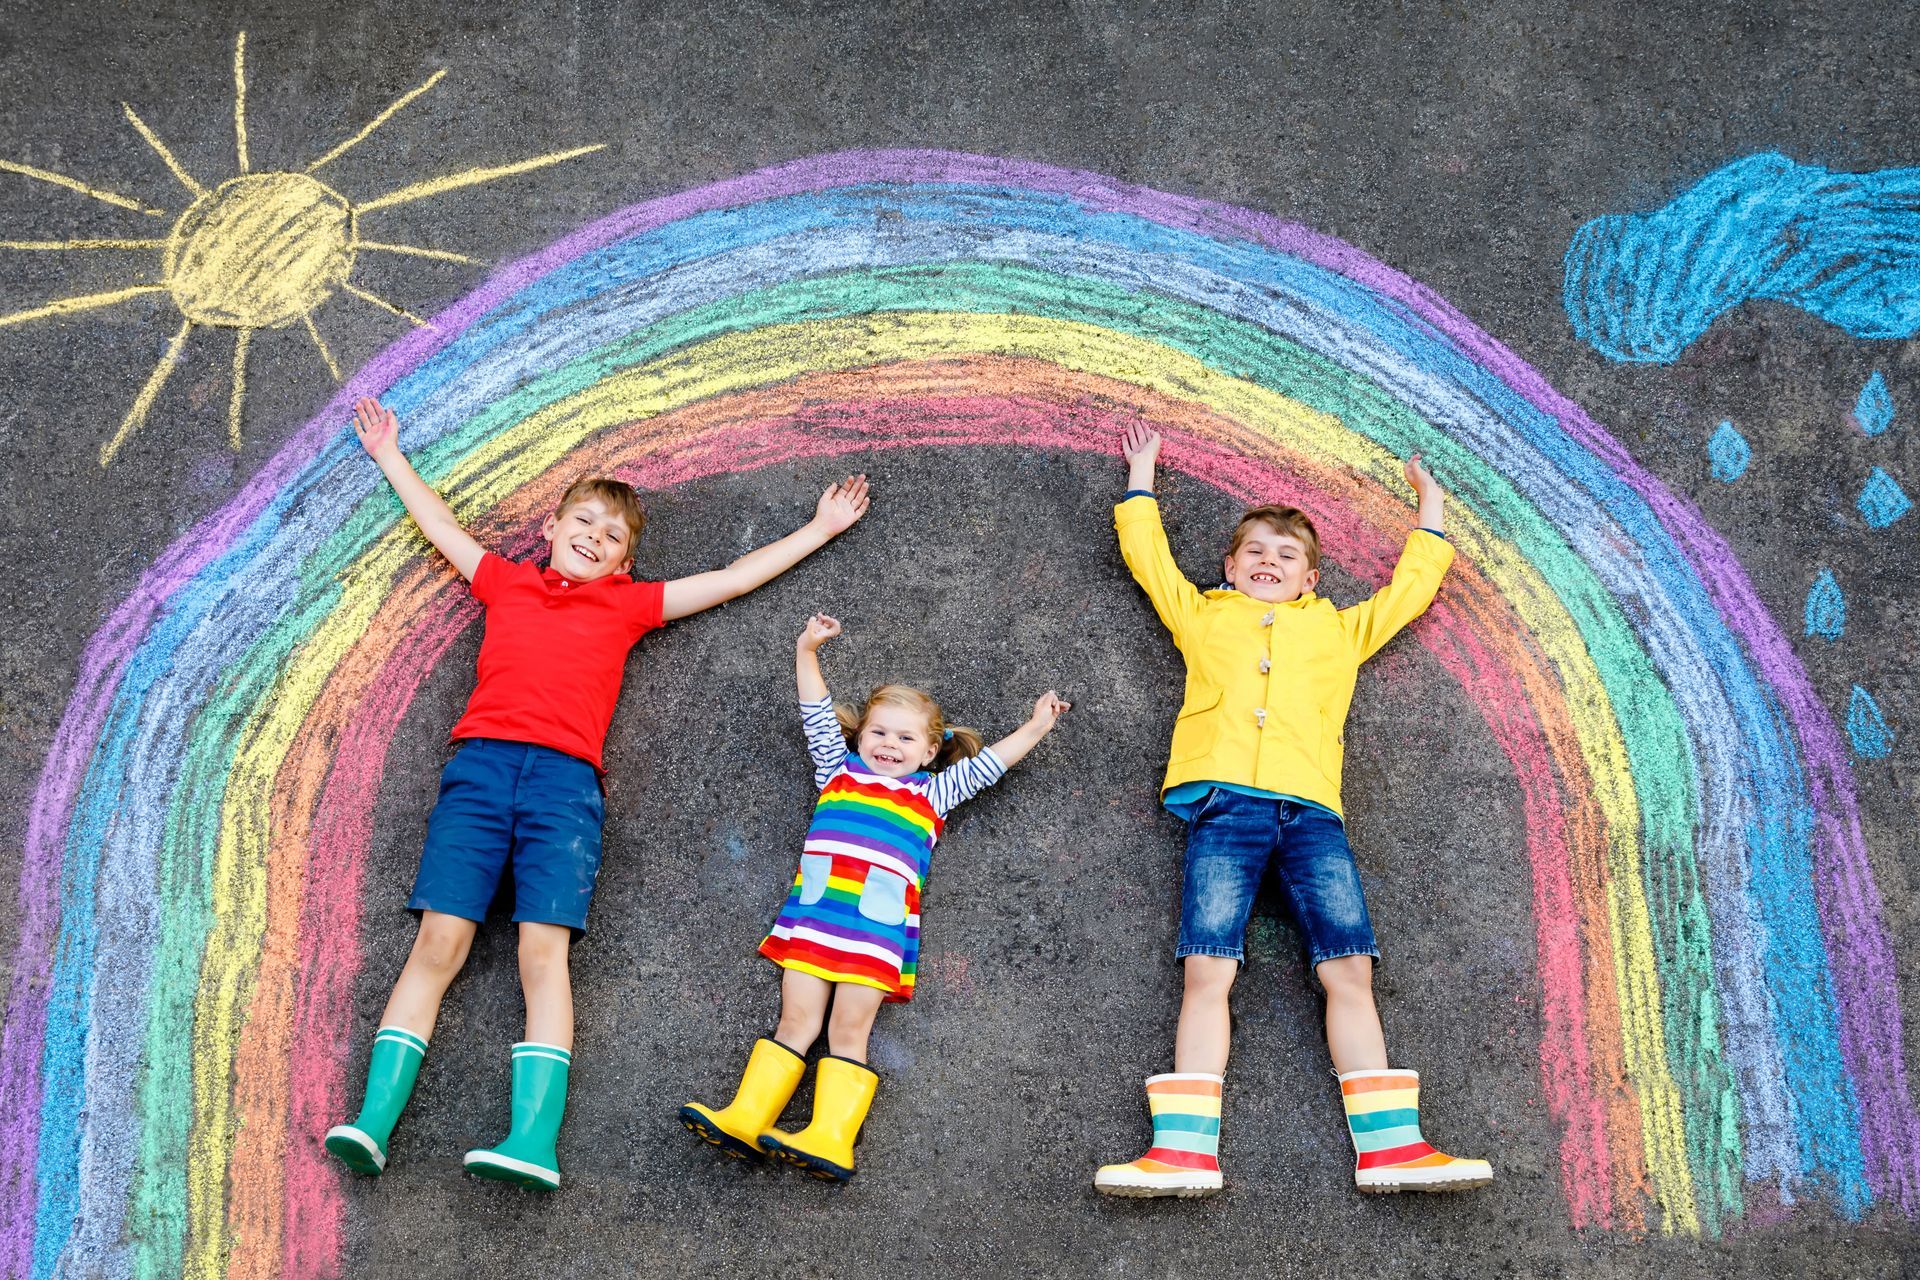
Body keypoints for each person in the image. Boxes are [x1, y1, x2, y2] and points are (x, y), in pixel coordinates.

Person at [324, 395, 870, 1190]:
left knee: (541, 953)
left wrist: (818, 530)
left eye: (613, 537)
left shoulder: (627, 605)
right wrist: (389, 455)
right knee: (438, 943)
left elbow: (728, 580)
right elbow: (440, 526)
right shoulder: (505, 582)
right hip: (478, 775)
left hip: (564, 789)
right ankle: (374, 1125)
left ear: (624, 566)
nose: (595, 536)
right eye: (583, 521)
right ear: (551, 529)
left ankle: (532, 1142)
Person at [1094, 423, 1491, 1197]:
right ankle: (1181, 1154)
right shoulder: (1202, 615)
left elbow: (1410, 592)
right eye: (1254, 552)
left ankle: (1392, 1149)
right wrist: (1140, 478)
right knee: (1207, 968)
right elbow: (1149, 561)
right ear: (1229, 568)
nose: (1268, 561)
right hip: (1225, 809)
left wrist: (1432, 506)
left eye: (1286, 555)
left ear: (1310, 578)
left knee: (1349, 968)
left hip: (1311, 815)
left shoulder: (1340, 630)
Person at [681, 612, 1068, 1181]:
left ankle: (830, 1139)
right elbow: (815, 711)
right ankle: (745, 1119)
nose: (889, 745)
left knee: (848, 1030)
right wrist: (807, 649)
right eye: (879, 733)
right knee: (795, 1021)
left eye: (905, 738)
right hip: (814, 921)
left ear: (930, 752)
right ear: (860, 738)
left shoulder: (934, 792)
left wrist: (1035, 727)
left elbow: (991, 765)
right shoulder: (835, 772)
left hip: (874, 933)